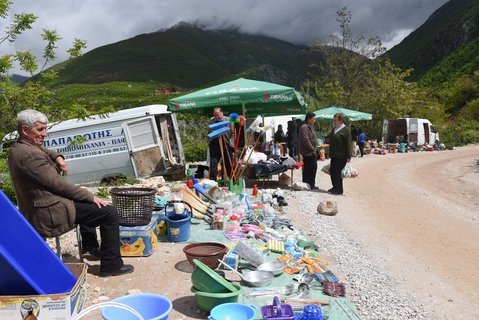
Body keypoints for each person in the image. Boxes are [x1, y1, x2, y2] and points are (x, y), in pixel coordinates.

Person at [8, 109, 134, 277]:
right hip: (48, 213)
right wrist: (90, 196)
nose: (45, 134)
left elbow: (42, 150)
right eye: (40, 130)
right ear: (25, 130)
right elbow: (57, 185)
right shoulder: (29, 156)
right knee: (108, 212)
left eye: (45, 129)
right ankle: (111, 266)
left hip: (44, 205)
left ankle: (90, 248)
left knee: (87, 203)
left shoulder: (21, 147)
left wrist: (58, 156)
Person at [327, 113, 352, 195]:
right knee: (332, 171)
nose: (334, 122)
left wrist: (348, 156)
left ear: (341, 120)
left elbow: (348, 144)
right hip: (333, 155)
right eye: (334, 120)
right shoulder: (334, 129)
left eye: (336, 120)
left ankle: (339, 189)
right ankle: (334, 186)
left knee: (338, 172)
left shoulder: (346, 130)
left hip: (341, 155)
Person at [208, 108, 234, 180]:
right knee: (214, 162)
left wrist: (231, 144)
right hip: (215, 143)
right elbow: (209, 132)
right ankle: (213, 180)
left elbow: (233, 133)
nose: (217, 117)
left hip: (226, 142)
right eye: (215, 115)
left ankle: (230, 179)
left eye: (218, 115)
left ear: (222, 113)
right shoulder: (212, 120)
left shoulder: (229, 120)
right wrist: (209, 142)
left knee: (228, 162)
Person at [297, 112, 318, 190]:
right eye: (313, 119)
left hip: (311, 152)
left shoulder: (310, 126)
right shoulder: (304, 127)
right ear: (309, 119)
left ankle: (311, 184)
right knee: (308, 169)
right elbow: (305, 140)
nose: (314, 120)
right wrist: (312, 148)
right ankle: (307, 184)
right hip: (308, 152)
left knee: (313, 168)